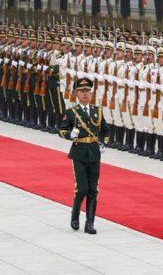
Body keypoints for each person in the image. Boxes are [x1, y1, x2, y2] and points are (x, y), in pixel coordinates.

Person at [58, 77, 111, 234]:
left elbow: (105, 130)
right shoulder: (71, 112)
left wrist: (102, 143)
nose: (85, 94)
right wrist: (70, 135)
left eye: (87, 91)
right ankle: (75, 216)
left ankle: (90, 223)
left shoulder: (98, 111)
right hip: (79, 152)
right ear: (76, 93)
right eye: (82, 91)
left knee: (93, 190)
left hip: (94, 153)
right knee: (81, 188)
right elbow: (61, 130)